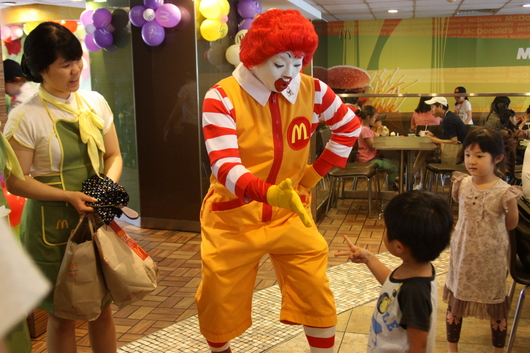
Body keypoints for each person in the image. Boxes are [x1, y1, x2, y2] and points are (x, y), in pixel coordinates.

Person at [197, 9, 361, 353]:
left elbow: (349, 127)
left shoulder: (313, 90)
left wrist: (312, 175)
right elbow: (225, 167)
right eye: (280, 63)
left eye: (298, 63)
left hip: (291, 215)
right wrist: (271, 194)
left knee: (315, 288)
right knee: (217, 298)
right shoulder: (222, 97)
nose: (290, 74)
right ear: (255, 58)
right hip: (234, 217)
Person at [4, 22, 122, 353]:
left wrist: (105, 188)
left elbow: (114, 155)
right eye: (65, 64)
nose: (75, 71)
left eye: (77, 60)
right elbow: (16, 180)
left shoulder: (95, 102)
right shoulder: (25, 117)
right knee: (62, 316)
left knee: (101, 309)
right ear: (41, 69)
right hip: (50, 231)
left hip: (94, 220)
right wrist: (67, 195)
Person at [335, 190, 453, 353]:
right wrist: (369, 258)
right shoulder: (417, 269)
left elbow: (419, 347)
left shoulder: (415, 293)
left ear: (398, 246)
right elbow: (393, 286)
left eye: (386, 228)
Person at [445, 127, 522, 353]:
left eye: (479, 156)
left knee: (496, 305)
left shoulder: (505, 191)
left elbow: (512, 223)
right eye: (468, 155)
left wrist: (490, 235)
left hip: (491, 259)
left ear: (497, 158)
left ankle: (497, 349)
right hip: (462, 256)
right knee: (456, 302)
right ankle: (452, 348)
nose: (472, 161)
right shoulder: (462, 183)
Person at [412, 97, 466, 190]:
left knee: (425, 155)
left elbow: (454, 141)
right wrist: (434, 137)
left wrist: (432, 139)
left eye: (433, 107)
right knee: (424, 152)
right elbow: (448, 140)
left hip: (455, 156)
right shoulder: (448, 117)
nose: (431, 110)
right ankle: (413, 174)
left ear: (440, 106)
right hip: (455, 152)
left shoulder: (448, 120)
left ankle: (414, 176)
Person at [357, 105, 399, 191]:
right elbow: (372, 145)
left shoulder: (366, 128)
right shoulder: (365, 129)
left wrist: (379, 132)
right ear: (368, 117)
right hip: (367, 160)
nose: (375, 120)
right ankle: (390, 187)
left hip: (370, 158)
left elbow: (373, 136)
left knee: (395, 163)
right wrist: (379, 131)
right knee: (393, 167)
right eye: (374, 118)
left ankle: (392, 183)